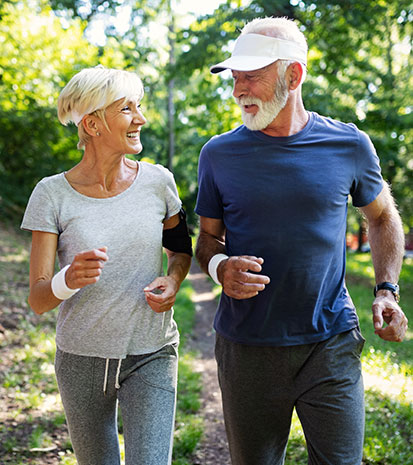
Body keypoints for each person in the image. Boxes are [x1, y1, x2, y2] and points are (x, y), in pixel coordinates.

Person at [195, 17, 408, 465]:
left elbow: (384, 217)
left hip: (329, 342)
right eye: (235, 78)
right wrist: (219, 268)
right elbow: (207, 240)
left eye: (251, 76)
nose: (238, 90)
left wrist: (386, 289)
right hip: (246, 347)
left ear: (293, 76)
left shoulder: (348, 144)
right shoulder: (218, 154)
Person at [21, 66, 192, 465]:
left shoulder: (159, 182)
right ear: (93, 124)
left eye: (139, 106)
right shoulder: (51, 195)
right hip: (81, 358)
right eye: (127, 109)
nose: (141, 119)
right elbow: (39, 299)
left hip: (152, 351)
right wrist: (68, 279)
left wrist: (173, 278)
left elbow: (180, 250)